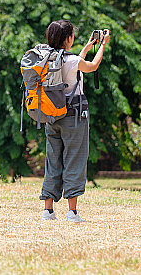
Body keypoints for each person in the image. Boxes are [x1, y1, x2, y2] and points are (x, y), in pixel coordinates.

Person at [40, 19, 110, 223]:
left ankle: (48, 210)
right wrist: (102, 45)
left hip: (51, 115)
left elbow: (74, 66)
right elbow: (92, 66)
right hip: (73, 116)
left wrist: (87, 47)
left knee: (53, 160)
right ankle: (72, 213)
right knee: (74, 159)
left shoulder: (47, 58)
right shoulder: (70, 61)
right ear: (68, 39)